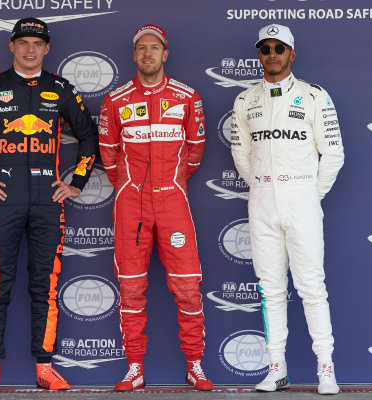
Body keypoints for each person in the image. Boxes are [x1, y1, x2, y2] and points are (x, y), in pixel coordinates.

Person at [0, 17, 98, 391]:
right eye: (23, 42)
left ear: (47, 49)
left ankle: (44, 367)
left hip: (49, 201)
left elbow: (90, 138)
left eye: (38, 43)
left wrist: (75, 183)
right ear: (12, 46)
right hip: (5, 201)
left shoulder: (60, 88)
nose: (30, 49)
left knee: (46, 285)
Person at [230, 24, 344, 395]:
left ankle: (326, 368)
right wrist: (264, 185)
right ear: (259, 55)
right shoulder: (245, 100)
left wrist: (310, 193)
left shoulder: (314, 96)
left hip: (302, 201)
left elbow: (334, 154)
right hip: (262, 199)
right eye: (265, 49)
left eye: (280, 48)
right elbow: (241, 155)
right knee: (270, 289)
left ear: (292, 54)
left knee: (312, 287)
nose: (272, 54)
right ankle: (276, 368)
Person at [98, 24, 212, 391]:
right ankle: (135, 368)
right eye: (141, 48)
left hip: (173, 200)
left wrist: (172, 182)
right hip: (130, 204)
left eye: (155, 48)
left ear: (166, 54)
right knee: (131, 288)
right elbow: (108, 154)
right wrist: (130, 188)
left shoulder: (187, 97)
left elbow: (195, 149)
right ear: (133, 55)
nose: (148, 54)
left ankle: (195, 365)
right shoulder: (115, 100)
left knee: (188, 288)